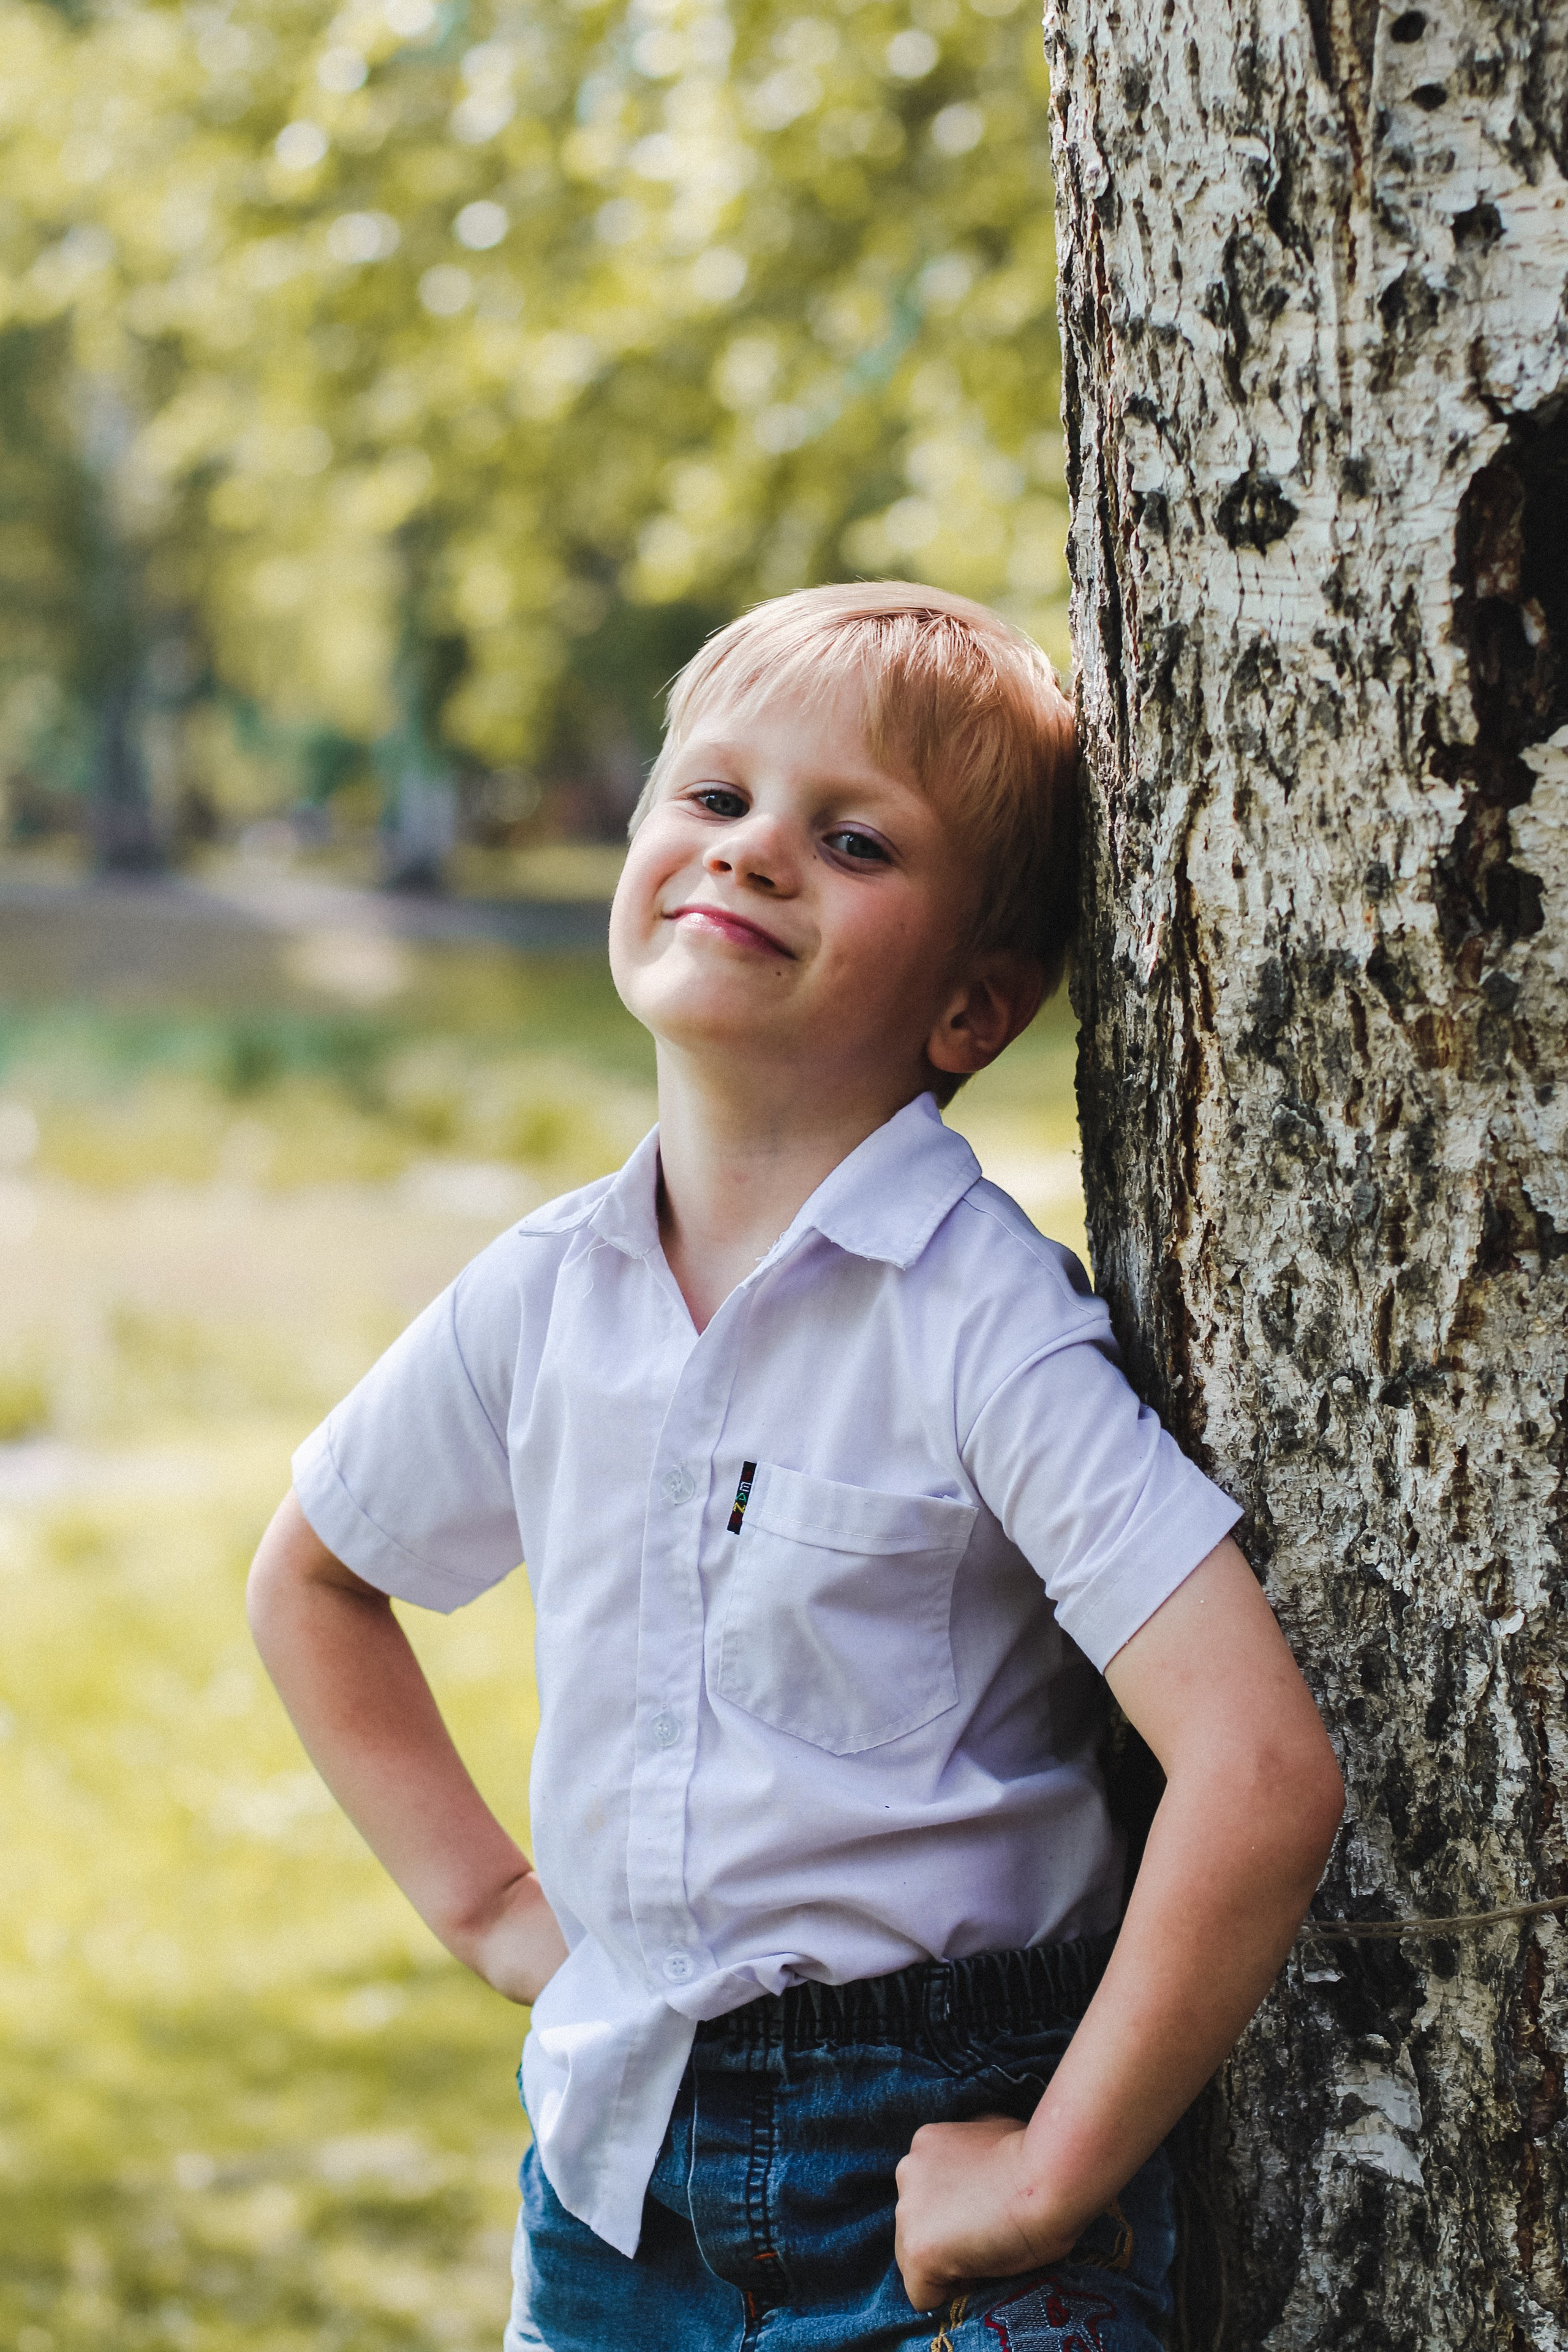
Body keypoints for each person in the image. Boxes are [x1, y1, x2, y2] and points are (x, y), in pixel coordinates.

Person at [247, 581, 1344, 2352]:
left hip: (938, 2174)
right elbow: (315, 1575)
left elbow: (1261, 1767)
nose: (751, 852)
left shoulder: (982, 1326)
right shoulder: (545, 1295)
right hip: (618, 2183)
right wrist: (491, 1910)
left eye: (848, 838)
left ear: (976, 1008)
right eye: (713, 796)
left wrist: (1051, 2175)